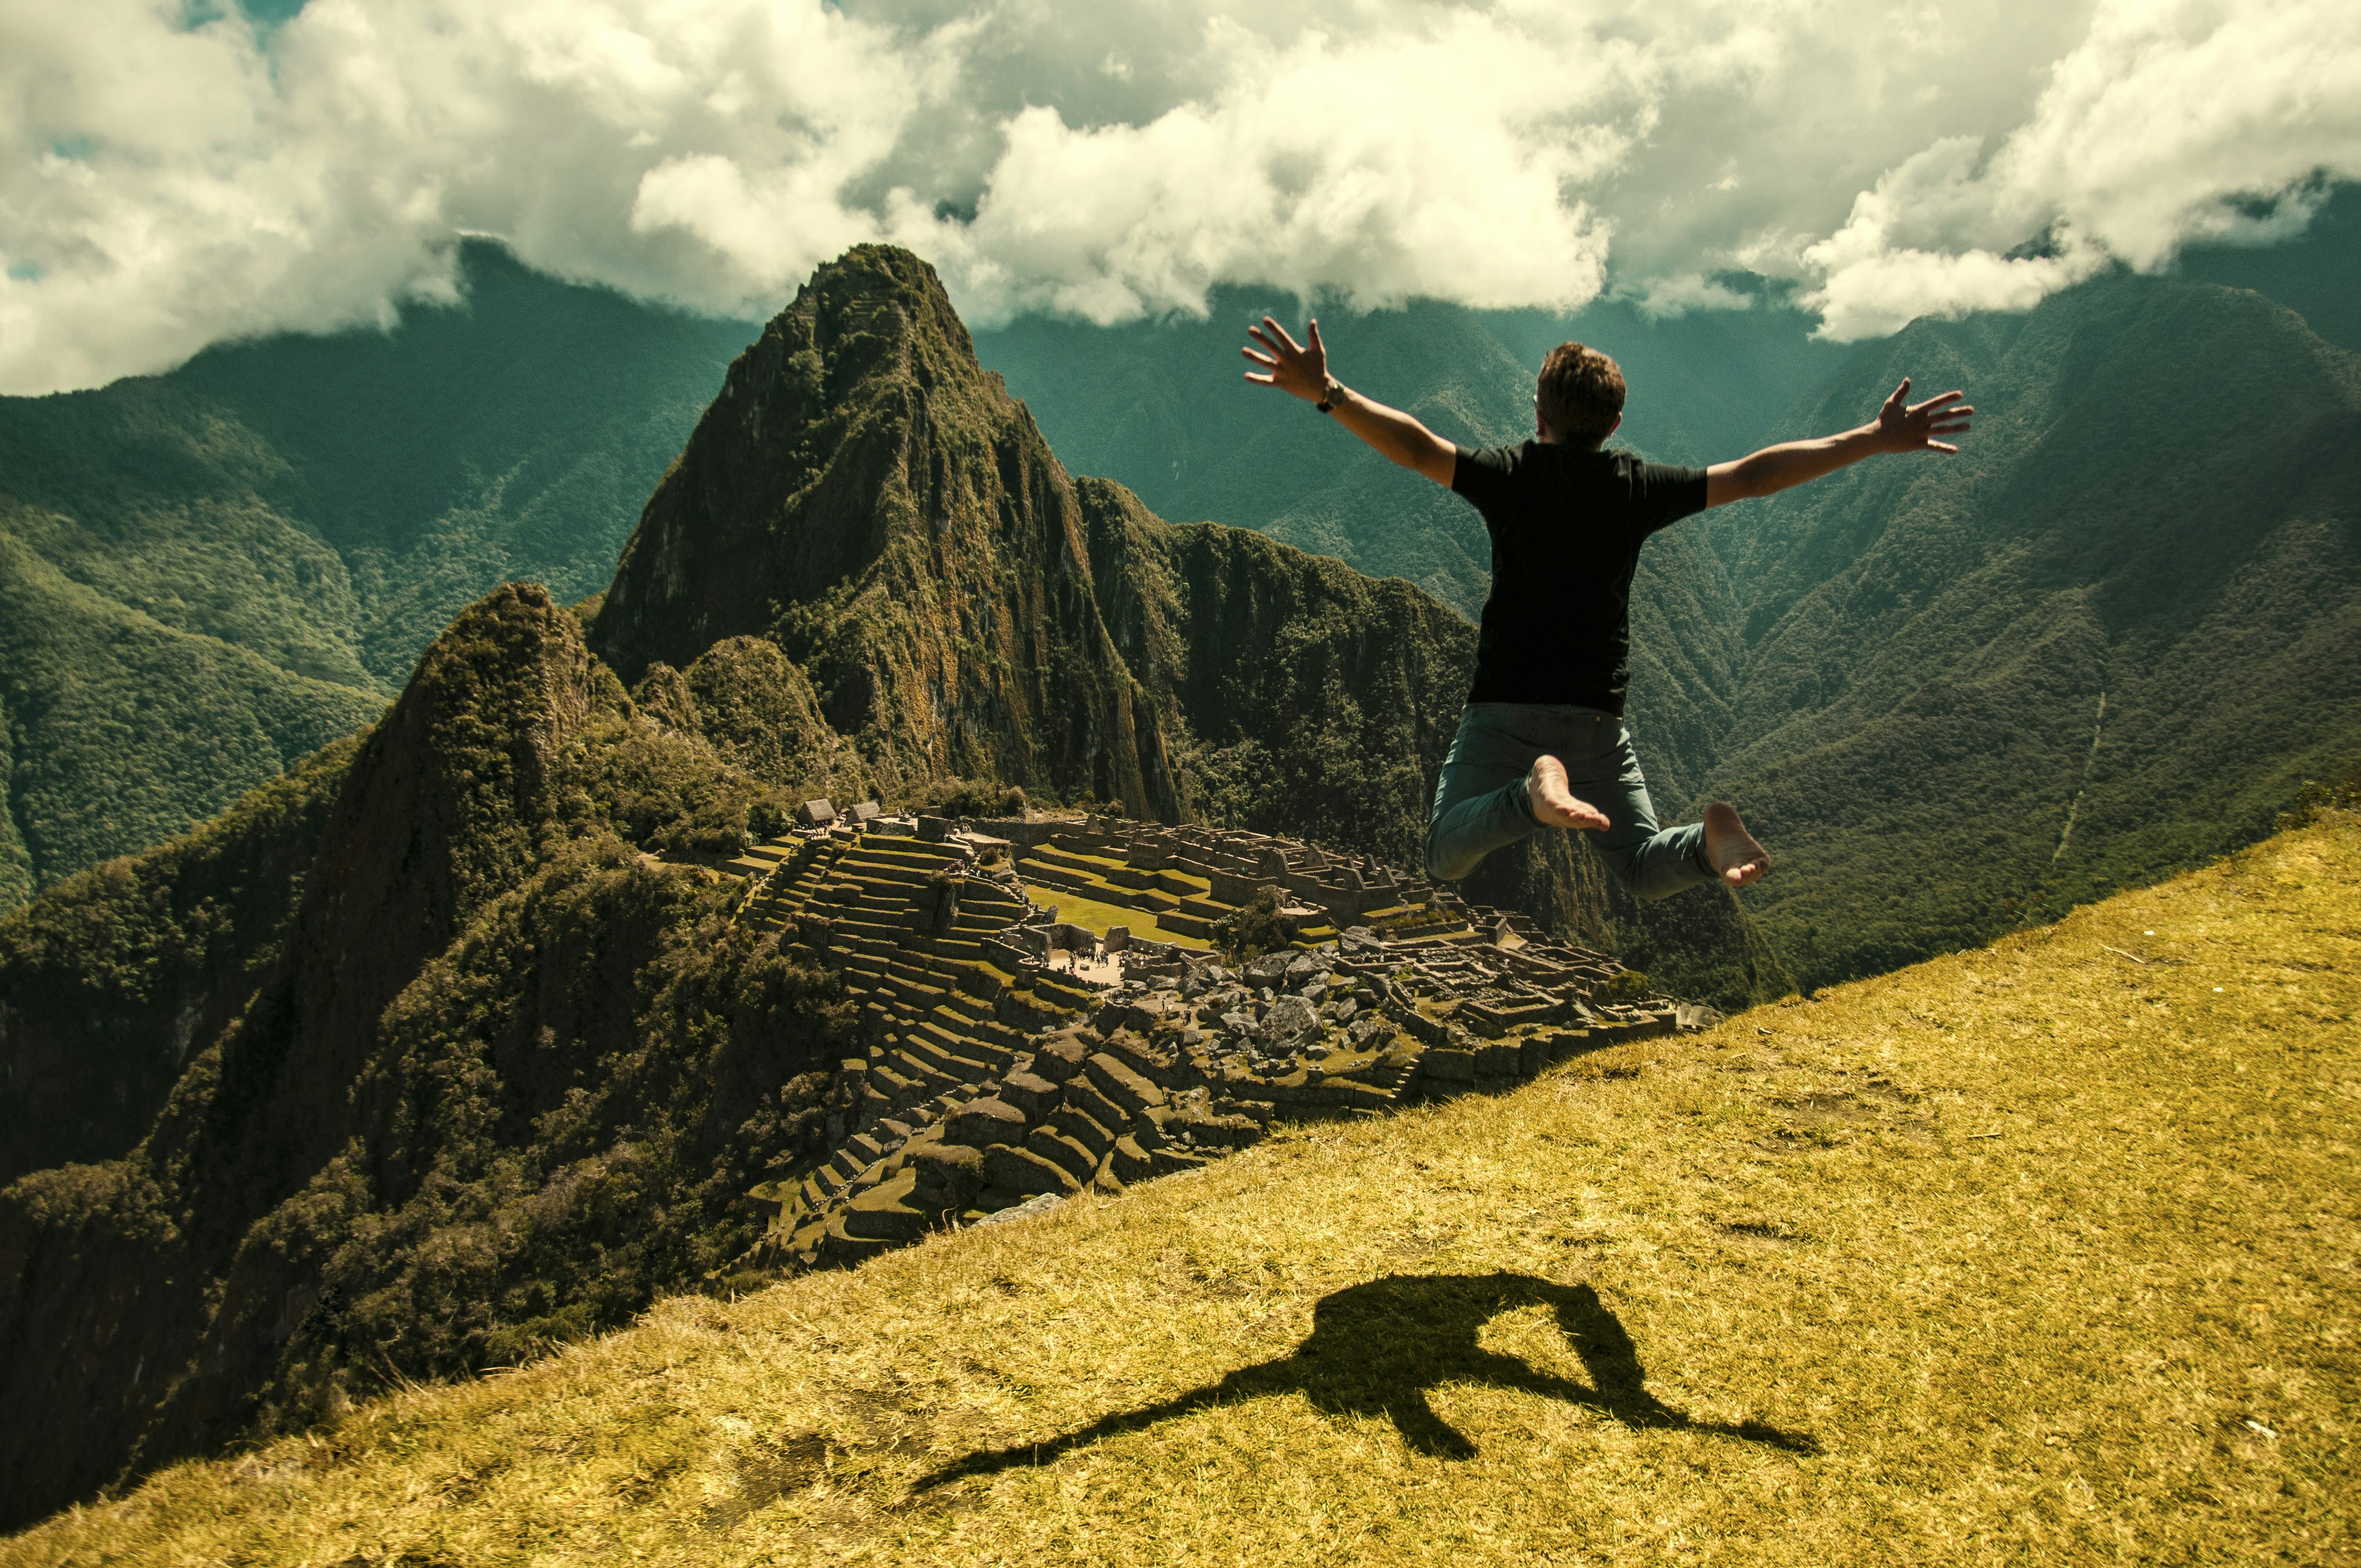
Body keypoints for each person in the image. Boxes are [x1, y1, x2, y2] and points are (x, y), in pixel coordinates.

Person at [1241, 319, 1970, 899]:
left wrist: (1327, 391)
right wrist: (1873, 438)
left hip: (1504, 709)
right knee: (1643, 868)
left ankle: (1529, 798)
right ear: (1615, 423)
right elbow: (1756, 476)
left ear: (1539, 413)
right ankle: (1707, 840)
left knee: (1442, 853)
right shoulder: (1636, 488)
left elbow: (1415, 447)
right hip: (1595, 722)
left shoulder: (1510, 477)